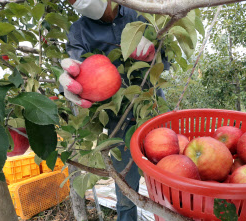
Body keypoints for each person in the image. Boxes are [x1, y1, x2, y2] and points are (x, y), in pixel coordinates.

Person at [59, 1, 169, 221]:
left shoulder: (141, 15)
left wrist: (153, 54)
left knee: (168, 177)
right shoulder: (79, 30)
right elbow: (76, 67)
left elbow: (165, 63)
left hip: (153, 109)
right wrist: (66, 84)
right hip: (118, 119)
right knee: (126, 187)